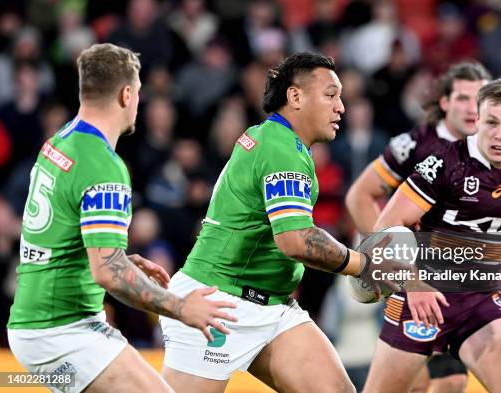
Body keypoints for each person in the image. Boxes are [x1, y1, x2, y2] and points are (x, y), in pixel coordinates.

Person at [159, 52, 402, 393]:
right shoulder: (279, 148)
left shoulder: (279, 141)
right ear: (295, 96)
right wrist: (363, 264)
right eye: (331, 95)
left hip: (272, 307)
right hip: (218, 302)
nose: (341, 107)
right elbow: (296, 239)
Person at [7, 43, 237, 393]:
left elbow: (60, 239)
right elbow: (108, 274)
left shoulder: (60, 141)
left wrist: (116, 257)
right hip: (61, 331)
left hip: (38, 322)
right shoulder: (104, 167)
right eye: (140, 92)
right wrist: (181, 307)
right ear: (127, 93)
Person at [362, 79, 501, 393]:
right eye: (491, 123)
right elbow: (385, 228)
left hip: (480, 300)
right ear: (477, 121)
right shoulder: (444, 165)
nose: (500, 134)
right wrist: (413, 283)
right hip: (423, 296)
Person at [346, 61, 491, 393]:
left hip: (458, 278)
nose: (472, 109)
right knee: (420, 379)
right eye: (463, 99)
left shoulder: (489, 149)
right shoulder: (414, 145)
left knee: (446, 381)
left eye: (479, 100)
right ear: (444, 102)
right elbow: (359, 197)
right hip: (416, 279)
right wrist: (389, 257)